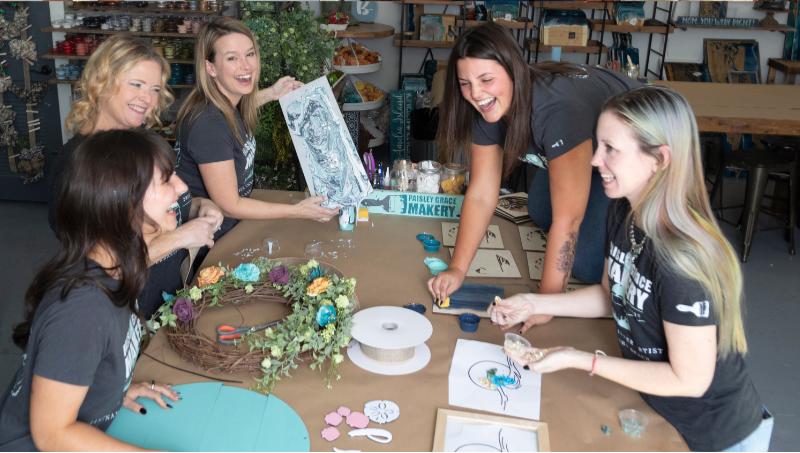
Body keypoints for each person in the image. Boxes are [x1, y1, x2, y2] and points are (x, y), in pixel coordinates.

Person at [490, 87, 771, 452]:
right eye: (598, 145)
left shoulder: (683, 260)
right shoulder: (624, 210)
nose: (594, 160)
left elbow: (691, 380)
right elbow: (610, 296)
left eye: (611, 149)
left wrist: (580, 359)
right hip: (660, 412)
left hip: (715, 435)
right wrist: (534, 303)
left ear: (659, 159)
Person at [430, 22, 641, 333]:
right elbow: (481, 193)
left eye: (486, 79)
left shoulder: (557, 111)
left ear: (515, 69)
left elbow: (568, 220)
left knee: (585, 262)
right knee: (540, 210)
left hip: (635, 139)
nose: (476, 94)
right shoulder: (485, 105)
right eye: (465, 83)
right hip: (577, 139)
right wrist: (458, 269)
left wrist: (544, 304)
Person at [1, 129, 182, 451]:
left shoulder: (115, 269)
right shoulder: (81, 309)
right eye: (166, 180)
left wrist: (111, 391)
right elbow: (52, 435)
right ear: (123, 202)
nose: (181, 187)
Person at [48, 35, 223, 318]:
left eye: (155, 88)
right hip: (132, 317)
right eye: (136, 84)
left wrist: (198, 206)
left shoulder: (143, 139)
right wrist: (178, 238)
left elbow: (160, 204)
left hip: (172, 301)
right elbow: (96, 268)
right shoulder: (77, 165)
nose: (148, 99)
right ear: (102, 81)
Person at [175, 18, 338, 269]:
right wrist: (297, 211)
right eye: (232, 58)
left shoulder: (227, 102)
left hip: (233, 229)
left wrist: (271, 94)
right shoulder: (208, 123)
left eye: (250, 53)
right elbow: (229, 204)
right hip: (210, 248)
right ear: (210, 68)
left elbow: (240, 109)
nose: (246, 65)